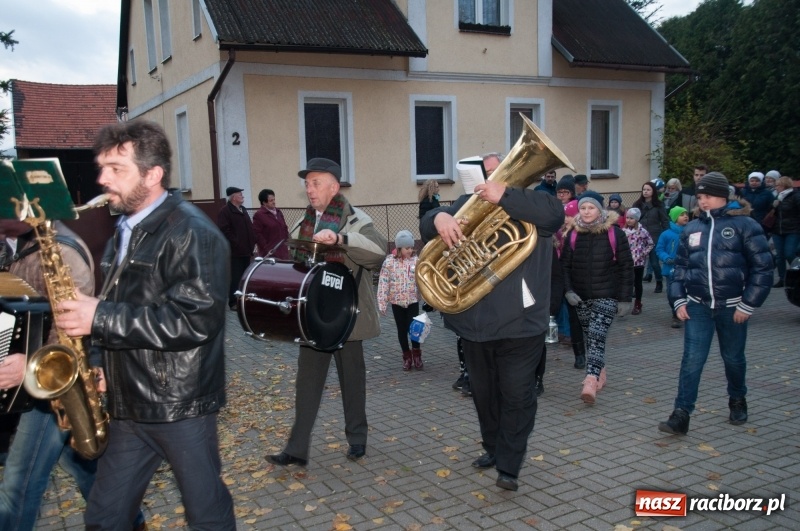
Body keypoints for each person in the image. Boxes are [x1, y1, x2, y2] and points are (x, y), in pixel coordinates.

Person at [54, 120, 235, 530]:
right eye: (102, 168)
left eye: (116, 169)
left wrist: (98, 315)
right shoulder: (126, 228)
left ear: (153, 175)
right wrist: (99, 365)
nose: (102, 179)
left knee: (207, 515)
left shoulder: (193, 232)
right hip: (128, 402)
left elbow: (193, 320)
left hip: (180, 405)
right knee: (104, 516)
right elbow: (121, 307)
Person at [420, 163, 563, 492]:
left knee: (516, 394)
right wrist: (439, 218)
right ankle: (493, 448)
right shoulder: (468, 203)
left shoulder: (534, 201)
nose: (488, 177)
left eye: (497, 169)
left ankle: (509, 465)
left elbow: (555, 215)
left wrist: (507, 196)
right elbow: (428, 222)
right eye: (483, 172)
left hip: (521, 325)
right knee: (484, 395)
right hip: (474, 323)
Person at [0, 219, 148, 531]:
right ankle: (130, 521)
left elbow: (74, 333)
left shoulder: (60, 251)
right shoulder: (11, 246)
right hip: (37, 383)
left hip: (51, 384)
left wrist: (27, 365)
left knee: (18, 483)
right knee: (83, 463)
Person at [267, 157, 386, 466]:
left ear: (334, 186)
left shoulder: (356, 219)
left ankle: (357, 439)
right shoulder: (301, 223)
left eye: (315, 183)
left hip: (347, 317)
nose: (309, 189)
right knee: (306, 385)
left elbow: (378, 254)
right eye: (307, 184)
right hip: (314, 318)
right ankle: (296, 449)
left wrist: (341, 239)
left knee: (352, 381)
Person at [658, 172, 773, 436]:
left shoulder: (745, 225)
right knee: (691, 360)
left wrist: (748, 304)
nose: (703, 201)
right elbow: (681, 269)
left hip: (733, 307)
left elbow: (763, 269)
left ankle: (737, 399)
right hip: (698, 307)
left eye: (708, 196)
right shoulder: (692, 228)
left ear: (723, 196)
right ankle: (681, 414)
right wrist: (677, 300)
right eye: (699, 197)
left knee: (732, 358)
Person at [561, 191, 634, 404]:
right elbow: (564, 265)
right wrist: (568, 290)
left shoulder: (615, 234)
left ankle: (590, 380)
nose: (586, 212)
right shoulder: (573, 235)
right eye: (583, 208)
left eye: (590, 208)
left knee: (595, 335)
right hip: (580, 297)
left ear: (600, 210)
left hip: (607, 296)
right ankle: (600, 371)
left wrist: (624, 298)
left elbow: (626, 267)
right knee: (591, 338)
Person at [377, 230, 422, 371]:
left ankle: (417, 354)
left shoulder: (416, 261)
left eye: (411, 248)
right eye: (407, 248)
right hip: (397, 302)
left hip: (412, 300)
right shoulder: (389, 262)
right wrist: (382, 302)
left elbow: (423, 280)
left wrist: (427, 299)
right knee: (401, 330)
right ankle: (407, 356)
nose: (410, 251)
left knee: (414, 328)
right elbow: (383, 282)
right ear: (399, 248)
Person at [217, 185, 256, 309]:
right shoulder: (225, 211)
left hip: (246, 250)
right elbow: (224, 230)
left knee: (245, 277)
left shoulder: (243, 210)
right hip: (235, 252)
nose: (242, 196)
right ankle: (233, 302)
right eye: (240, 194)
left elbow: (249, 227)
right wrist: (236, 242)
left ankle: (243, 300)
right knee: (236, 277)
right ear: (233, 197)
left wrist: (252, 240)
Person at [632, 181, 670, 292]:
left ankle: (659, 282)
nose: (646, 192)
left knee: (654, 262)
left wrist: (665, 235)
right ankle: (636, 287)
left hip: (654, 236)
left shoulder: (659, 205)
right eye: (644, 189)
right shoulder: (637, 205)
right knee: (637, 264)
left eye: (648, 190)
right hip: (639, 238)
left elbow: (664, 220)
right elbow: (632, 220)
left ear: (653, 191)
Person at [656, 206, 689, 328]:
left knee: (688, 291)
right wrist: (666, 258)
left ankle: (684, 312)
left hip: (688, 268)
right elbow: (659, 249)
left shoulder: (691, 231)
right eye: (682, 214)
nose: (685, 216)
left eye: (686, 214)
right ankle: (675, 313)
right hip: (671, 269)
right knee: (672, 293)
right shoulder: (666, 234)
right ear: (675, 218)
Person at [621, 207, 654, 316]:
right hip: (626, 261)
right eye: (627, 218)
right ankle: (623, 304)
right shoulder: (623, 231)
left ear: (637, 219)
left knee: (637, 283)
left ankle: (638, 303)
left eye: (632, 218)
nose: (629, 220)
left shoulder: (642, 231)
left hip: (638, 262)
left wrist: (643, 253)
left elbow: (650, 243)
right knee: (626, 282)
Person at [770, 176, 800, 288]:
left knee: (789, 253)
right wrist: (773, 206)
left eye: (777, 185)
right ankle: (782, 279)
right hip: (778, 230)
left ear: (784, 186)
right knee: (779, 256)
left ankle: (796, 275)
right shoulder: (777, 197)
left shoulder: (795, 196)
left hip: (793, 229)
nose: (775, 187)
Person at [252, 188, 290, 259]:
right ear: (264, 202)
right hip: (269, 254)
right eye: (271, 200)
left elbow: (284, 227)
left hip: (283, 252)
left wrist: (286, 240)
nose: (274, 202)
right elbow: (257, 234)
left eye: (274, 199)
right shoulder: (259, 215)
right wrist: (266, 248)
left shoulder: (279, 212)